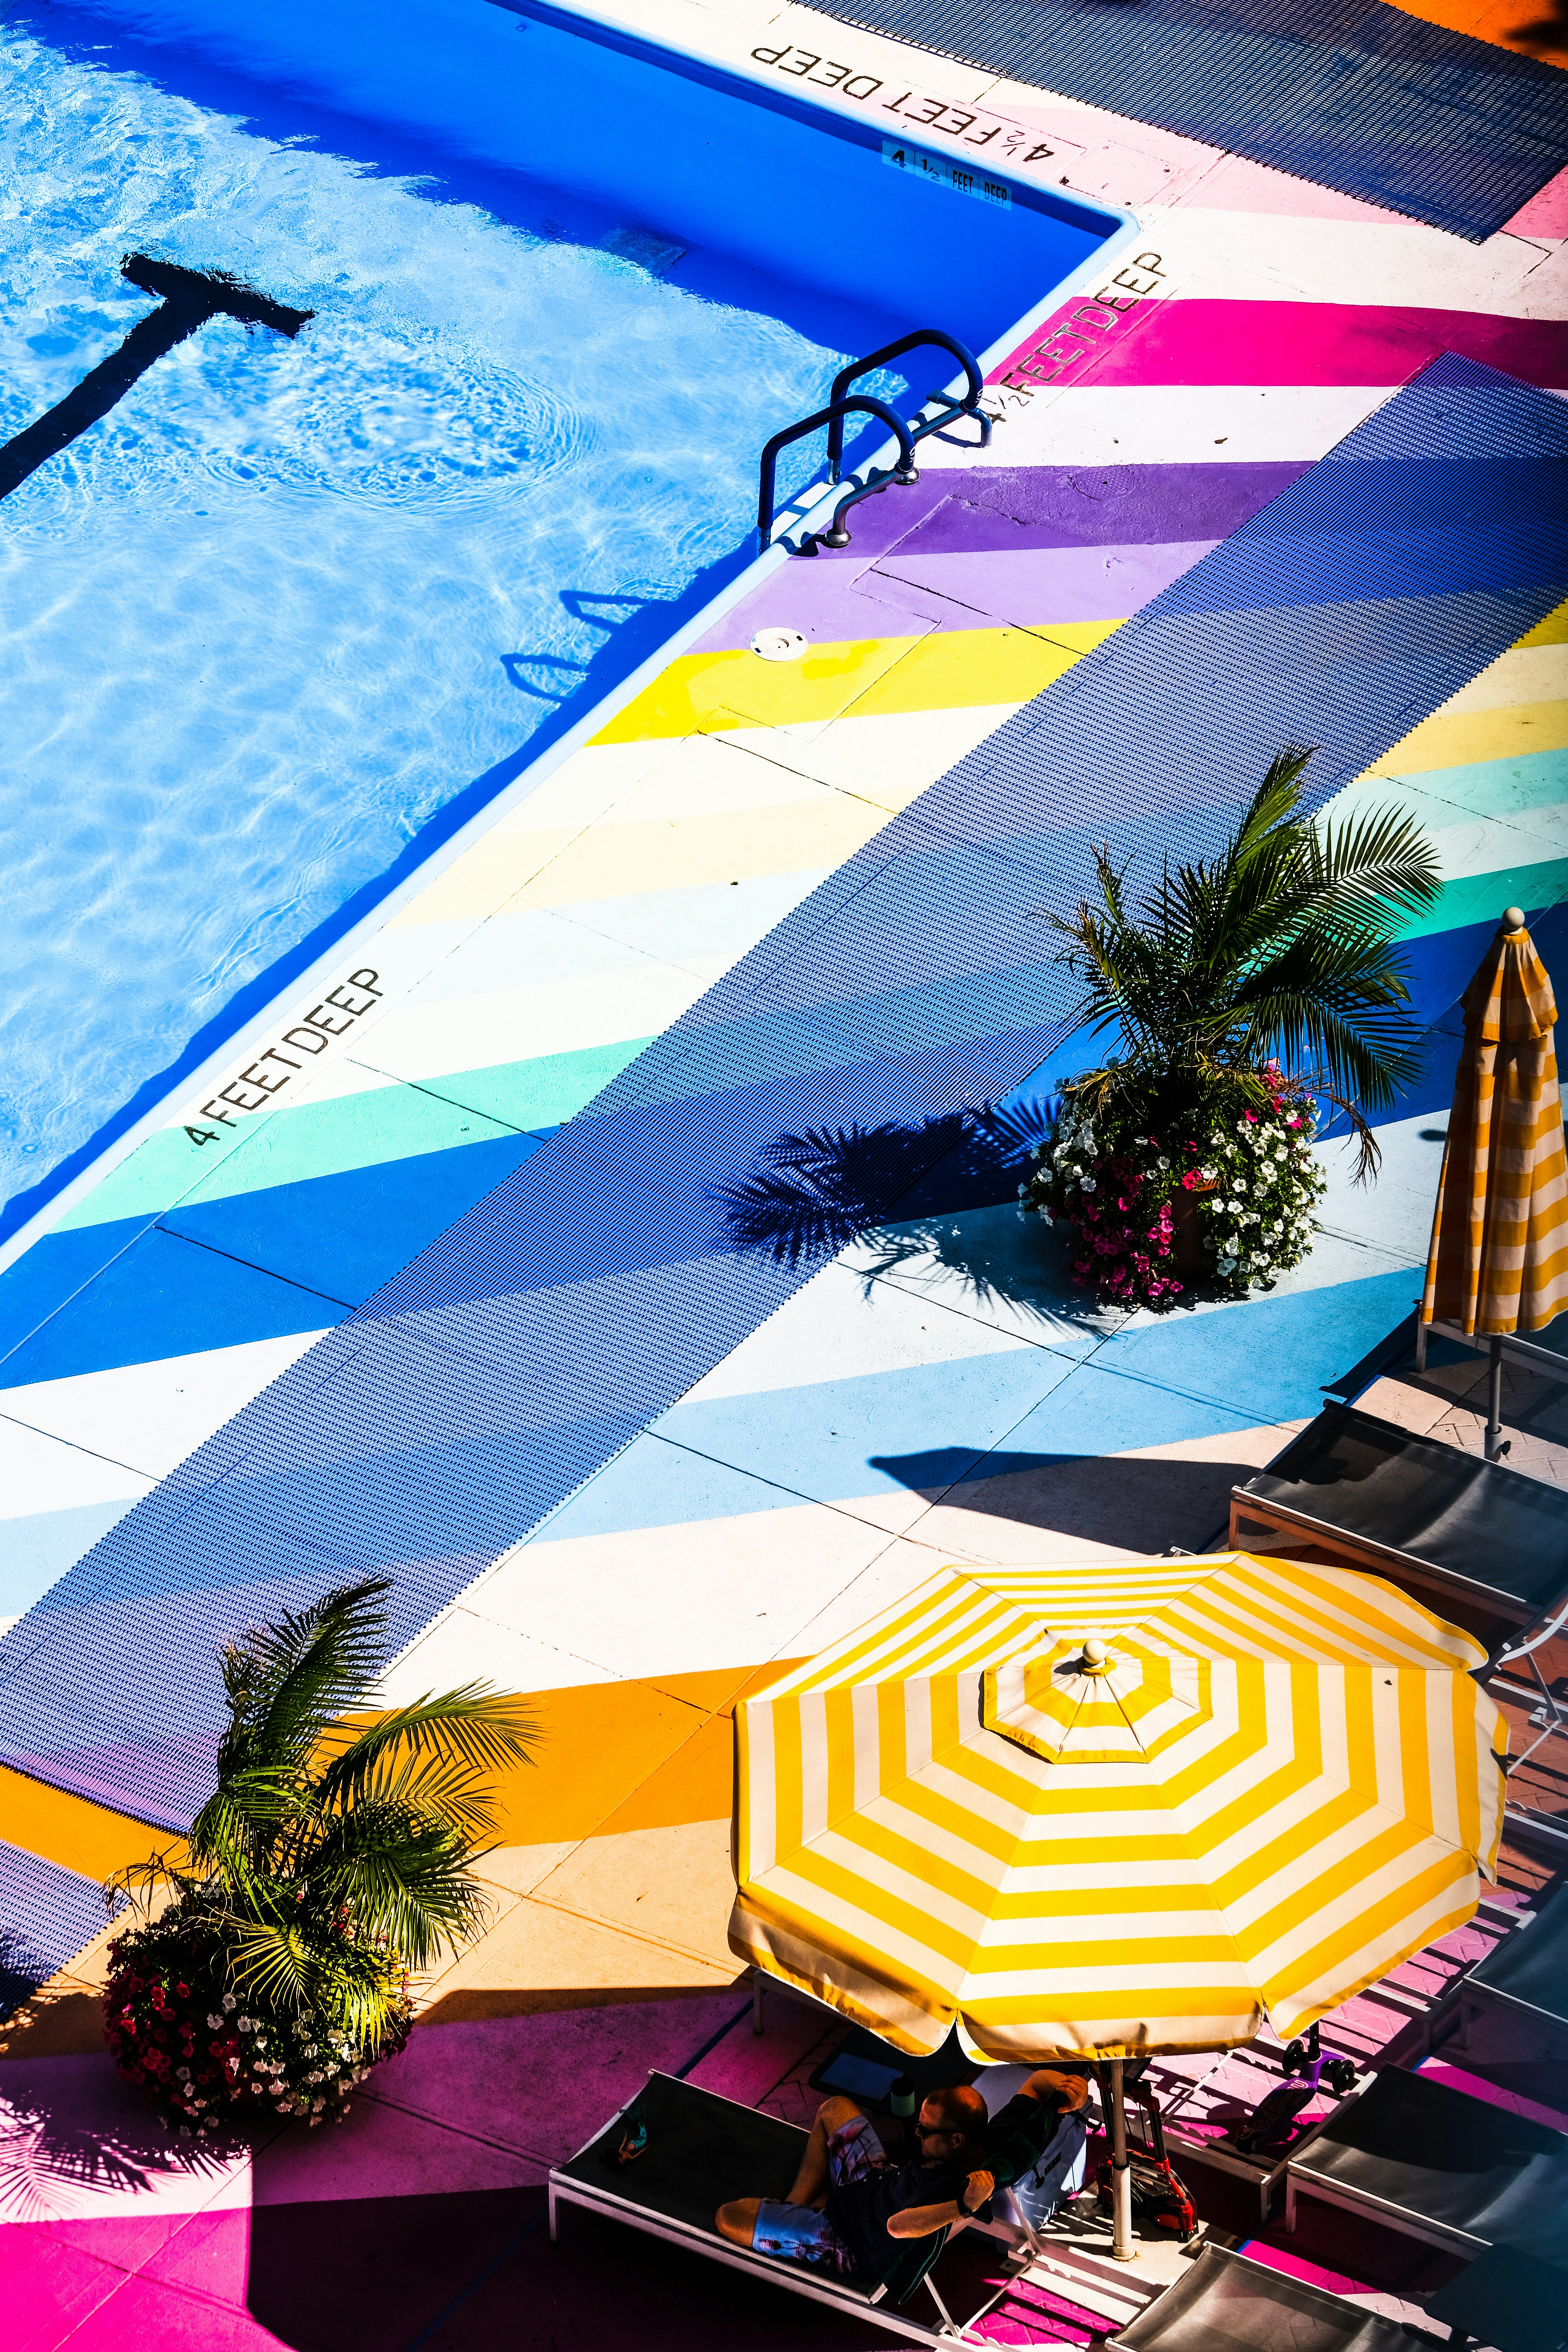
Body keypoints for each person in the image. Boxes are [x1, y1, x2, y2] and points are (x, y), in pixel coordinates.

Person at [715, 2066, 1090, 2281]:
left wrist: (963, 2206)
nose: (917, 2133)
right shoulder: (993, 2137)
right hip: (874, 2183)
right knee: (834, 2107)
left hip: (848, 2240)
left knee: (728, 2217)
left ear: (956, 2138)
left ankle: (801, 2220)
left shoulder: (953, 2188)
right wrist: (1074, 2093)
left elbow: (898, 2226)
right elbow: (1037, 2082)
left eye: (924, 2130)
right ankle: (794, 2206)